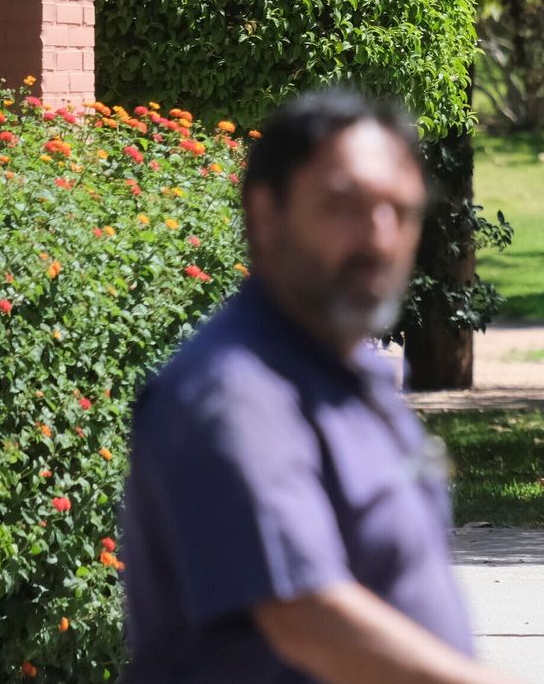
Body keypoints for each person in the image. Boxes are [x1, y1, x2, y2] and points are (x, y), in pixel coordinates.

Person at [120, 88, 519, 684]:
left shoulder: (347, 376)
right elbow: (305, 614)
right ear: (266, 215)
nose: (380, 238)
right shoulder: (234, 393)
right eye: (344, 206)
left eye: (401, 211)